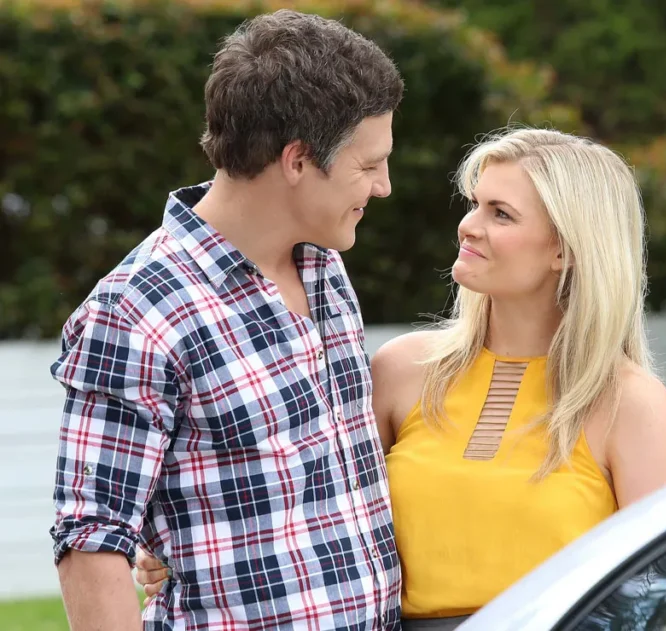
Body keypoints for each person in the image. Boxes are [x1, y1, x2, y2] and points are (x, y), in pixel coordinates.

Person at [142, 126, 666, 631]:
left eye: (501, 214)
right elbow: (298, 498)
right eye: (475, 204)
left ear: (565, 249)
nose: (469, 225)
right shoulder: (403, 370)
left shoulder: (630, 404)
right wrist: (181, 552)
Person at [49, 9, 404, 630]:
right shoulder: (137, 311)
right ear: (298, 161)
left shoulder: (323, 264)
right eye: (369, 165)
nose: (384, 187)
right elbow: (92, 539)